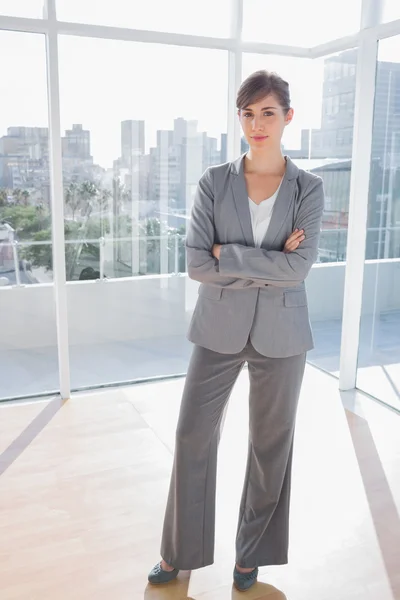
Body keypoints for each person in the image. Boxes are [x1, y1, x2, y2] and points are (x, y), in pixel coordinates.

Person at [148, 70, 325, 592]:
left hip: (283, 333)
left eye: (268, 112)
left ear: (287, 117)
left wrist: (232, 255)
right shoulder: (214, 181)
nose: (257, 123)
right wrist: (266, 260)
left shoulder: (308, 189)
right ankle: (178, 553)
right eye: (247, 113)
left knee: (271, 446)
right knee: (190, 436)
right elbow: (198, 264)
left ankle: (250, 557)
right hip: (217, 327)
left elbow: (300, 270)